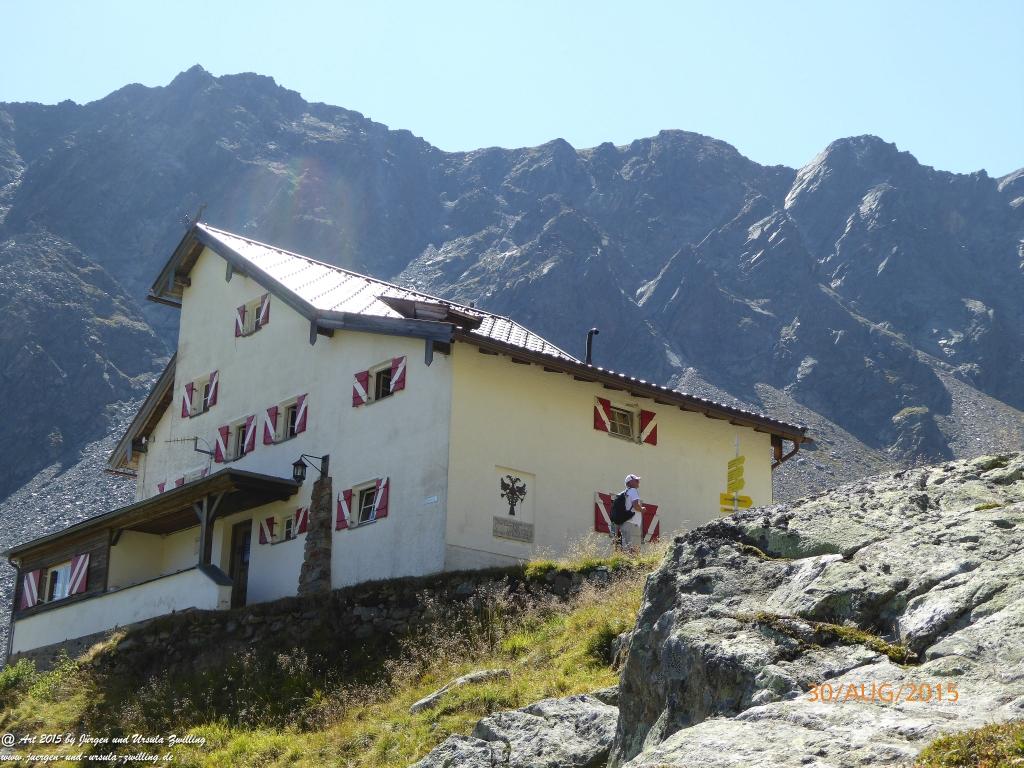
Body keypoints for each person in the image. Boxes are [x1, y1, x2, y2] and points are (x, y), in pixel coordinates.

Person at [615, 473, 644, 554]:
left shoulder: (623, 494)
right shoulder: (633, 491)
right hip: (632, 523)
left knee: (626, 547)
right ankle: (634, 564)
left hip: (624, 524)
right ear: (630, 482)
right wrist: (642, 509)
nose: (638, 482)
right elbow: (635, 505)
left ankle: (627, 564)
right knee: (635, 548)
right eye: (636, 480)